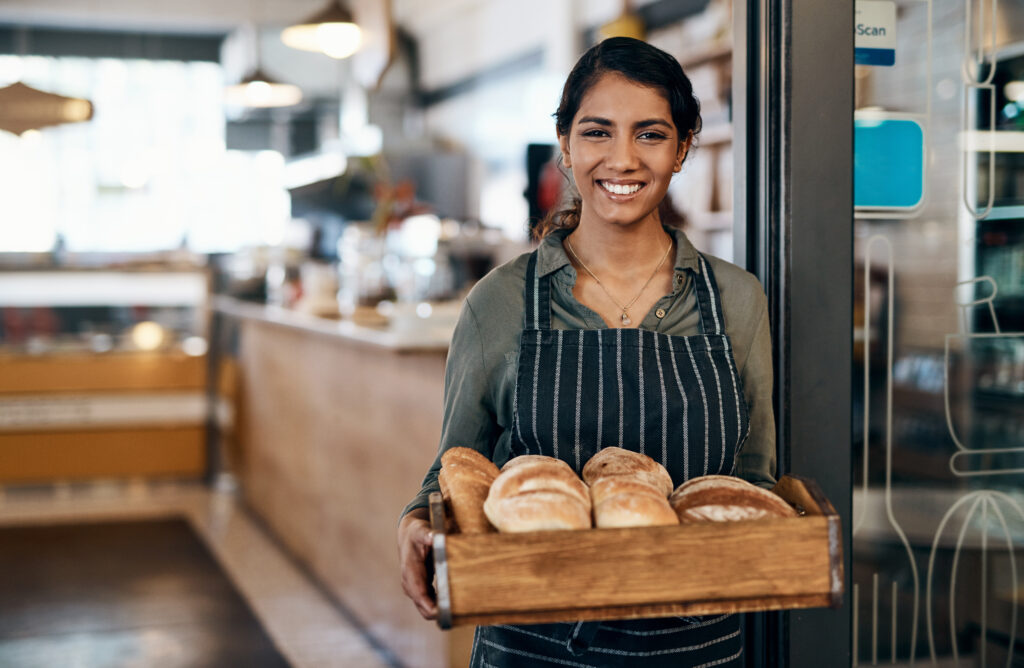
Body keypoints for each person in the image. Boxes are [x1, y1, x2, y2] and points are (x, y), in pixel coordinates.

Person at [398, 36, 775, 667]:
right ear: (565, 145)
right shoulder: (500, 302)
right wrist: (416, 520)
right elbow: (456, 466)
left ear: (682, 148)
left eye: (650, 134)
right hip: (532, 646)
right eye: (598, 132)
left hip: (696, 648)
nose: (622, 159)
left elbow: (754, 481)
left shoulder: (736, 300)